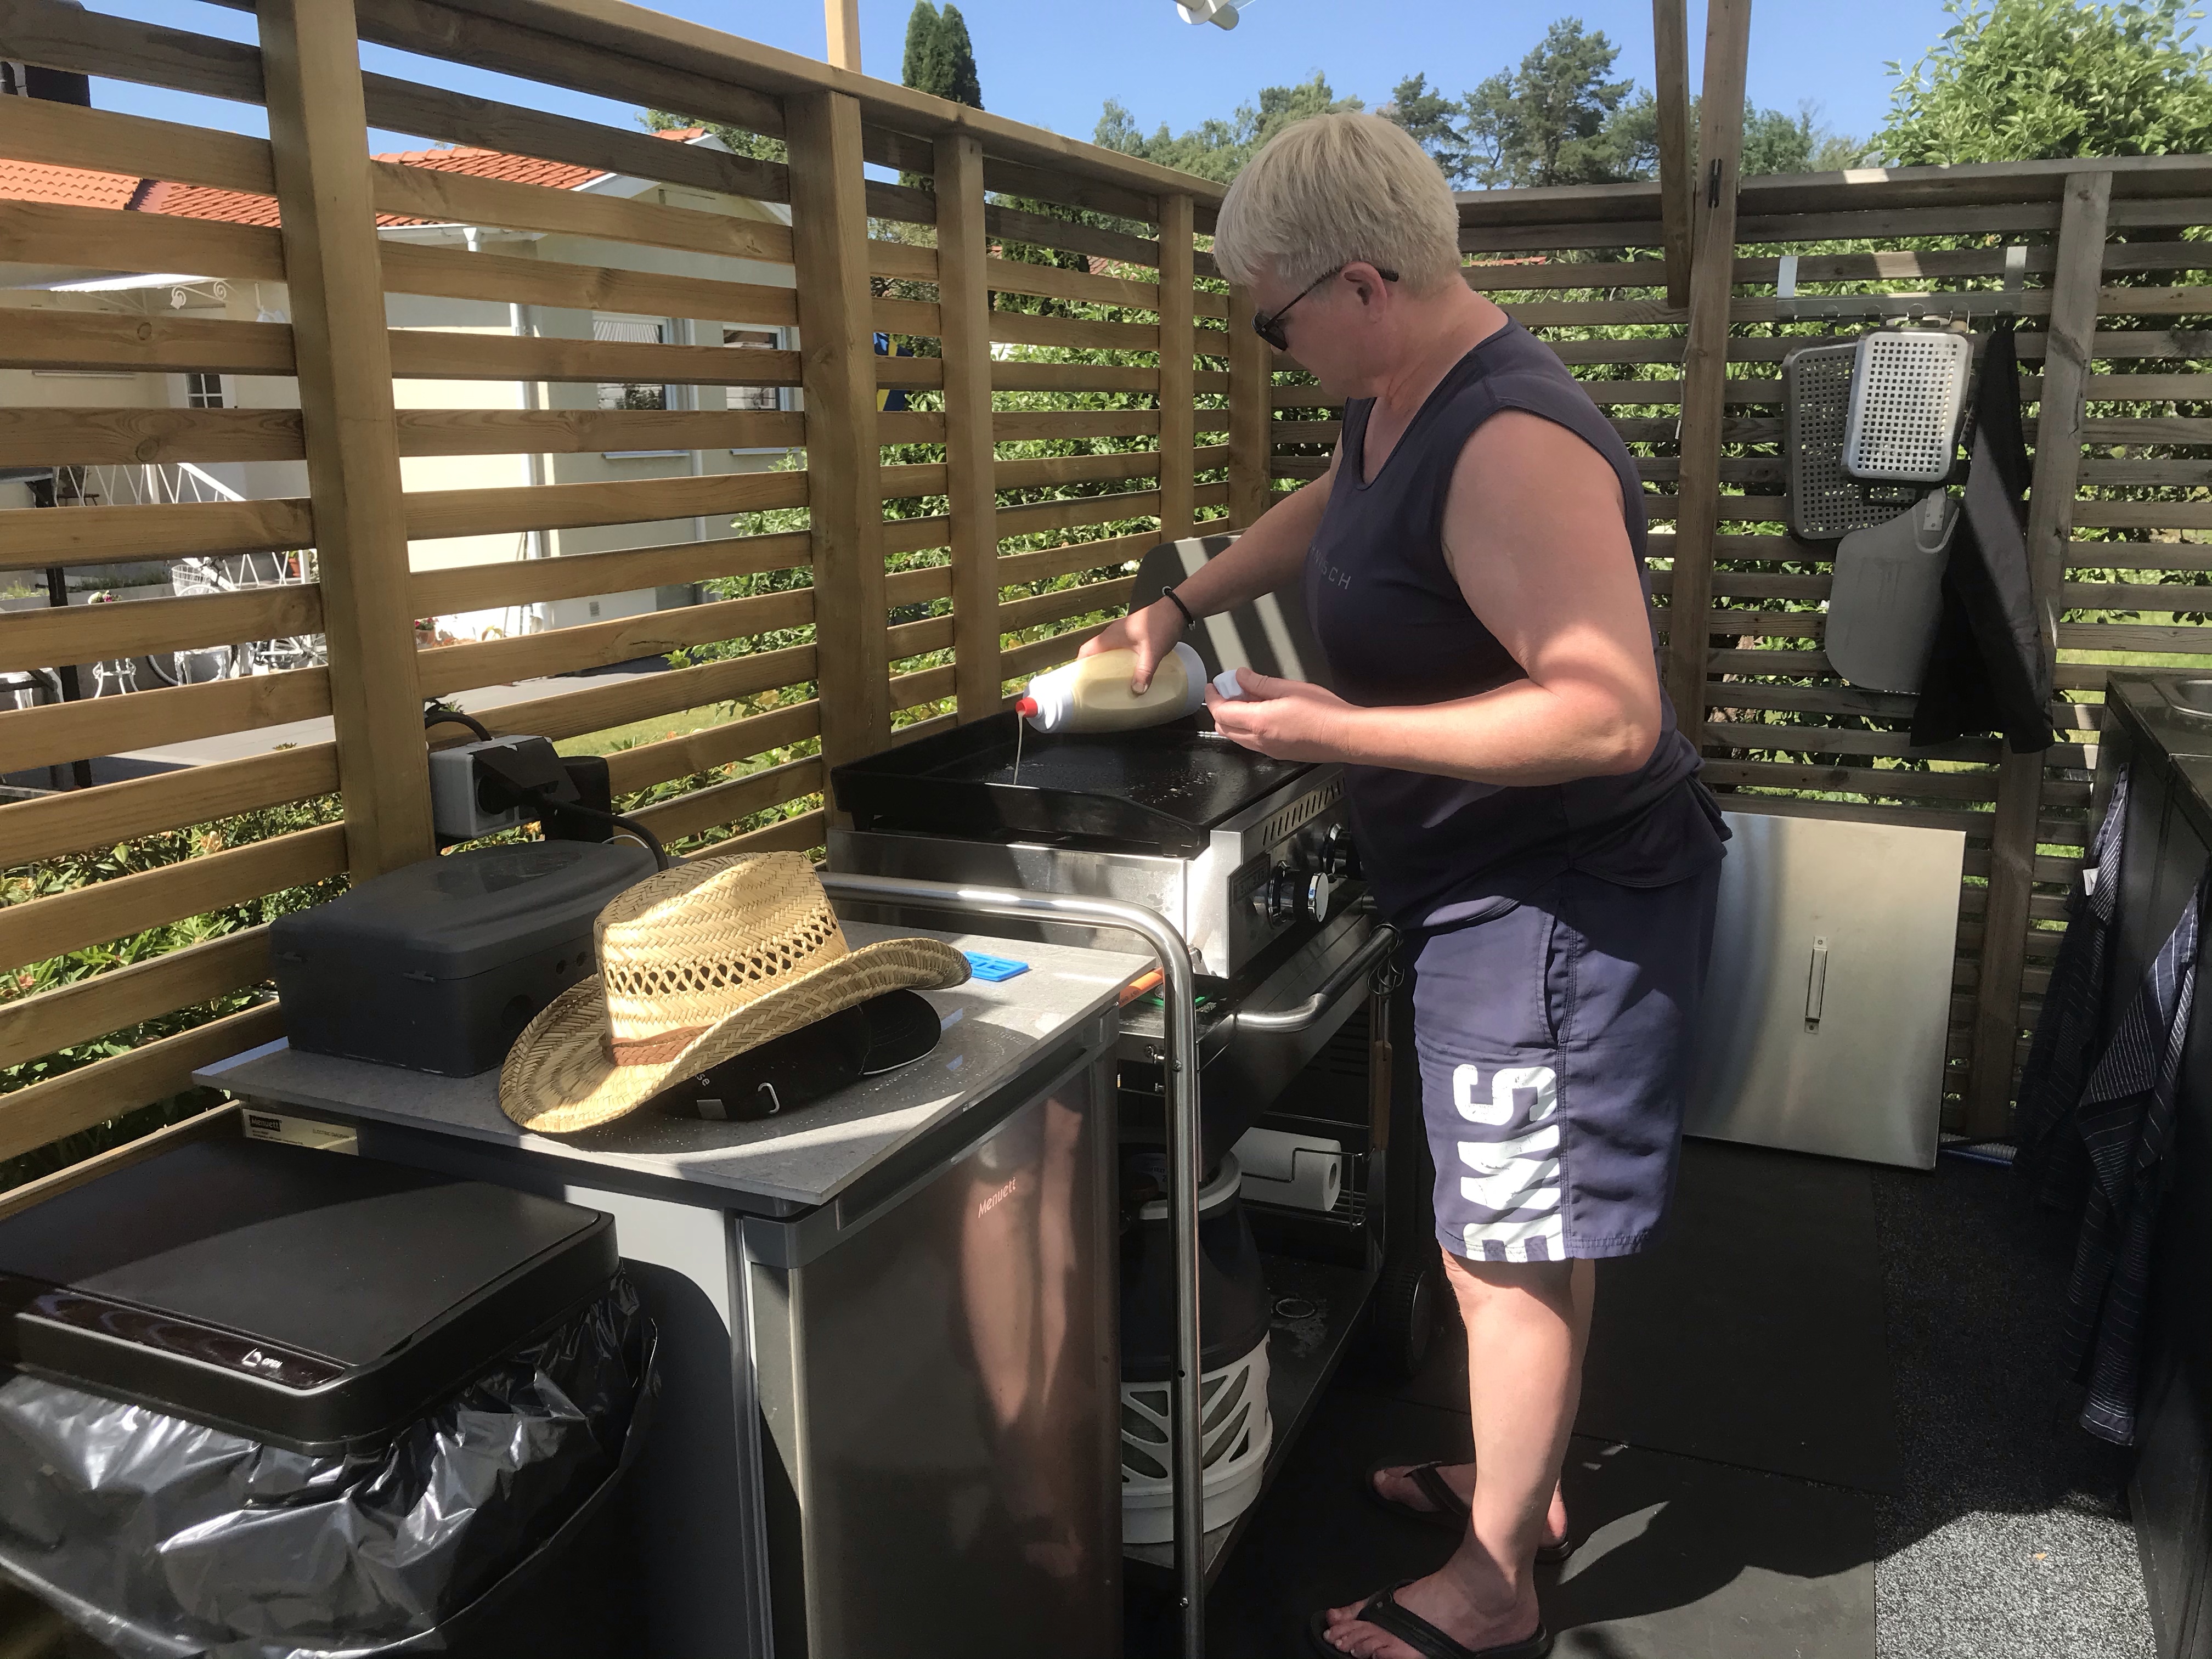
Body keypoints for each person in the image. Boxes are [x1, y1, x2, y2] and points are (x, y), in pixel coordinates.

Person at [1081, 112, 1727, 1659]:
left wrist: (1338, 730)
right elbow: (1338, 507)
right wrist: (1178, 606)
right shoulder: (1397, 399)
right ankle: (1522, 1483)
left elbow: (1608, 716)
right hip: (1486, 892)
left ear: (1362, 285)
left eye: (1273, 320)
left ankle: (1497, 1586)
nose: (1272, 347)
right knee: (1508, 1227)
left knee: (1503, 1249)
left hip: (1556, 904)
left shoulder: (1510, 439)